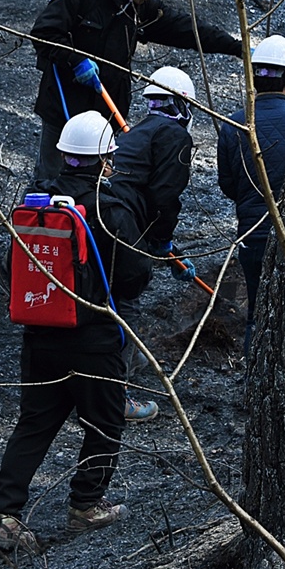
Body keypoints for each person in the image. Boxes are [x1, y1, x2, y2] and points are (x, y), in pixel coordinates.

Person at [0, 110, 151, 552]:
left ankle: (5, 515)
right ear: (105, 159)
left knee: (35, 424)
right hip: (92, 341)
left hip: (38, 337)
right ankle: (85, 505)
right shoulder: (110, 208)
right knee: (106, 419)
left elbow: (12, 269)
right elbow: (135, 277)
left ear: (63, 155)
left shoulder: (36, 206)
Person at [30, 0, 242, 182]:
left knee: (99, 182)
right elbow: (43, 34)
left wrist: (236, 47)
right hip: (64, 110)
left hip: (108, 114)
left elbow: (183, 28)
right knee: (50, 178)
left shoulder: (139, 8)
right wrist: (75, 61)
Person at [109, 65, 202, 420]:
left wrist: (167, 248)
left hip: (108, 219)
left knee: (104, 301)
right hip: (125, 229)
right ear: (184, 104)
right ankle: (116, 399)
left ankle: (95, 387)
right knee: (125, 305)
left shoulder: (138, 132)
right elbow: (165, 197)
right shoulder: (175, 137)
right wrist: (162, 244)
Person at [216, 35, 285, 356]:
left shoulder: (233, 125)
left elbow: (228, 186)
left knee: (257, 314)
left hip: (252, 237)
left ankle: (255, 380)